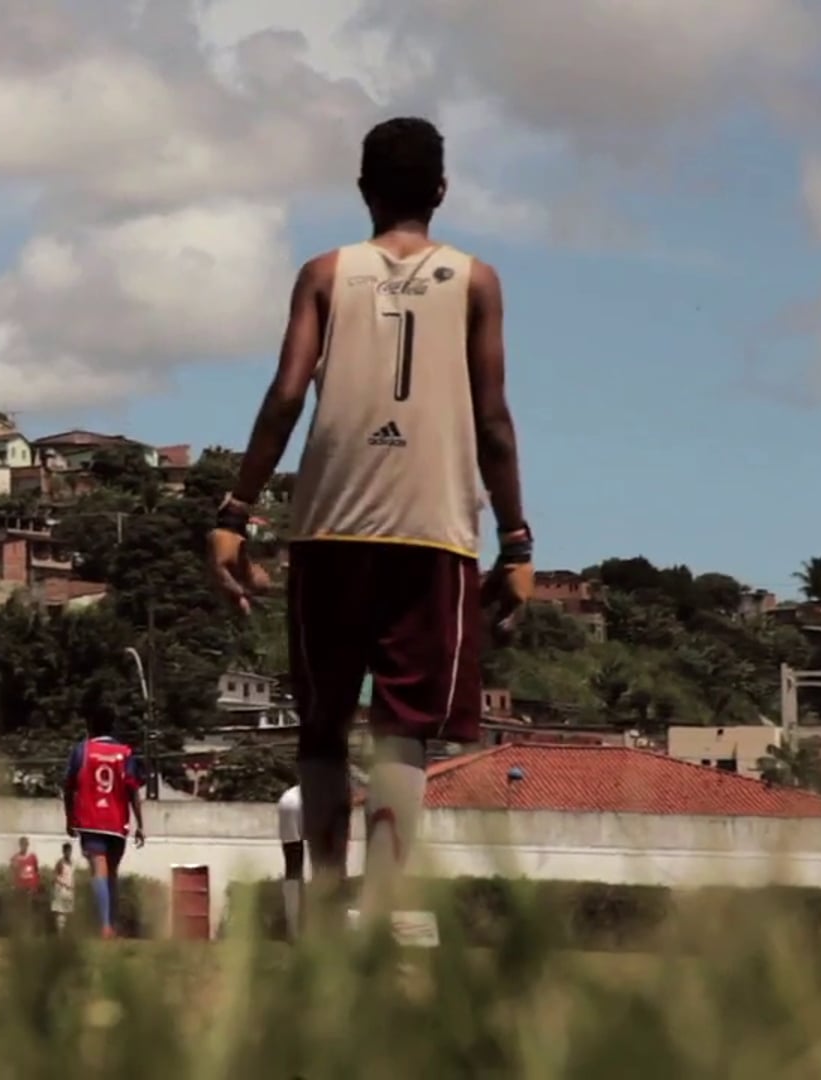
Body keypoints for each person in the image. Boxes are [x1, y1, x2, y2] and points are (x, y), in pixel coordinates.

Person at [207, 116, 533, 933]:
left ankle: (321, 906)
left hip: (330, 524)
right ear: (442, 191)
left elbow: (287, 394)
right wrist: (519, 539)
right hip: (434, 528)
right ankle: (382, 911)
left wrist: (234, 511)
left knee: (322, 725)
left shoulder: (325, 273)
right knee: (404, 733)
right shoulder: (478, 280)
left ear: (363, 189)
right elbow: (494, 419)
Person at [63, 715, 146, 940]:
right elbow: (133, 791)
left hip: (90, 821)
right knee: (111, 872)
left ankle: (105, 926)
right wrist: (140, 824)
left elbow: (68, 787)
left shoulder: (82, 751)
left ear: (89, 728)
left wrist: (69, 818)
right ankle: (111, 924)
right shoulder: (125, 753)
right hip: (117, 822)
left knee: (99, 870)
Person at [277, 784, 304, 941]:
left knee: (293, 868)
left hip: (288, 802)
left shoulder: (290, 796)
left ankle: (293, 930)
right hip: (301, 803)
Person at [10, 837, 42, 920]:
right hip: (20, 887)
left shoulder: (32, 857)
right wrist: (13, 885)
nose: (24, 846)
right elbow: (13, 872)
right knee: (21, 909)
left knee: (30, 909)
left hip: (31, 887)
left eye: (26, 844)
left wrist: (37, 884)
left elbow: (36, 870)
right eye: (22, 844)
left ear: (28, 845)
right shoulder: (15, 858)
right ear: (20, 845)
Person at [50, 841, 76, 936]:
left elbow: (72, 876)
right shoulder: (60, 863)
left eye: (69, 851)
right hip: (61, 890)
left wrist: (72, 886)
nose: (68, 853)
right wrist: (64, 884)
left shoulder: (72, 862)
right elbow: (55, 877)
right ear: (63, 851)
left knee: (68, 912)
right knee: (61, 913)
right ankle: (60, 934)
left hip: (70, 891)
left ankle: (66, 933)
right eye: (66, 851)